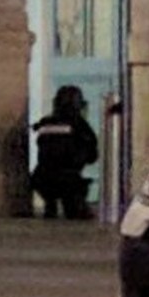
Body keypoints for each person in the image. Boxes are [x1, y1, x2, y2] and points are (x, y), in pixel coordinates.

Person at [30, 85, 98, 220]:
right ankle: (74, 208)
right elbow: (92, 155)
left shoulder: (45, 123)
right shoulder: (80, 126)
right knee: (75, 207)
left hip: (41, 178)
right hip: (69, 180)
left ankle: (50, 206)